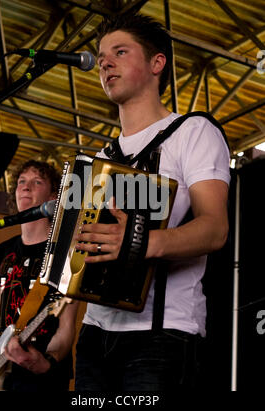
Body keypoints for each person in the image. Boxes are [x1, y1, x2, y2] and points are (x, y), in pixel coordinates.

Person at [74, 13, 231, 391]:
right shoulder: (99, 157)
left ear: (157, 63)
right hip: (95, 332)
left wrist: (140, 242)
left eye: (120, 51)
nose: (104, 63)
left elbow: (215, 228)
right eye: (101, 55)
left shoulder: (192, 132)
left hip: (163, 334)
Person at [0, 160, 78, 391]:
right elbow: (2, 309)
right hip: (2, 366)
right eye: (21, 182)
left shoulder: (63, 253)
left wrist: (48, 362)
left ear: (53, 197)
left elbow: (66, 326)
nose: (25, 188)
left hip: (42, 372)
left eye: (37, 182)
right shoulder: (3, 251)